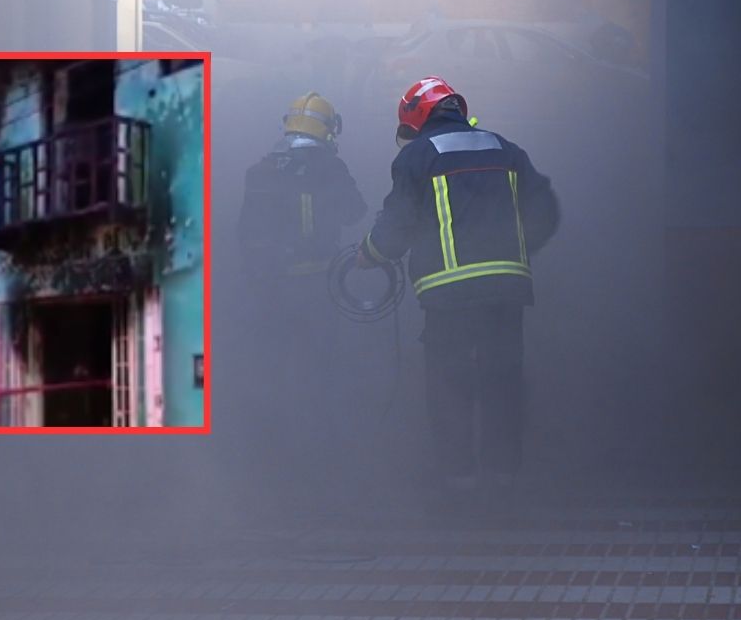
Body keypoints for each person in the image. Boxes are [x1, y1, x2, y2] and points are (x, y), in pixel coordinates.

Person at [357, 76, 560, 500]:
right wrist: (517, 251)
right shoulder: (505, 148)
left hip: (449, 294)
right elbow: (545, 207)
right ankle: (503, 482)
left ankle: (460, 485)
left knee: (450, 386)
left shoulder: (416, 156)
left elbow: (397, 225)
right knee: (503, 380)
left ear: (416, 117)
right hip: (506, 288)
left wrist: (370, 255)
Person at [237, 92, 368, 493]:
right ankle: (321, 466)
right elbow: (355, 212)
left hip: (269, 293)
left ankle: (271, 466)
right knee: (320, 376)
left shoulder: (259, 171)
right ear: (327, 129)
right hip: (316, 290)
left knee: (271, 377)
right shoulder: (329, 166)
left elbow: (244, 235)